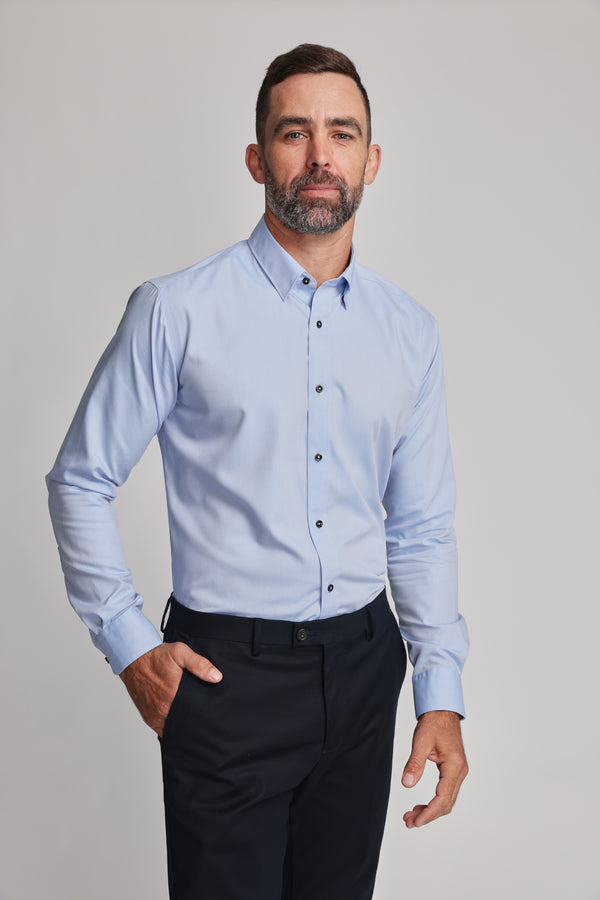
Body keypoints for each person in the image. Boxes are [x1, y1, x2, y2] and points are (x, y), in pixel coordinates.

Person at [47, 43, 469, 900]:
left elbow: (419, 526)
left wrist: (441, 690)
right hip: (226, 680)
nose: (320, 156)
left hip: (363, 671)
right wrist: (132, 649)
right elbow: (79, 480)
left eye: (342, 134)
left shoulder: (409, 332)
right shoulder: (177, 311)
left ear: (371, 161)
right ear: (257, 158)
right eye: (294, 133)